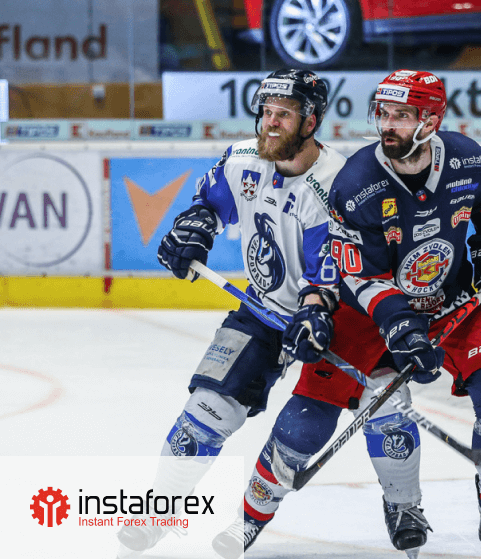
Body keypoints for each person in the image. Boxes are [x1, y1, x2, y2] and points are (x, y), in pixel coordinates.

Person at [213, 69, 481, 559]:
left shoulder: (469, 159)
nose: (388, 125)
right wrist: (402, 329)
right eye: (383, 113)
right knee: (305, 424)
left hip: (450, 300)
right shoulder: (356, 183)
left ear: (431, 120)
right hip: (366, 313)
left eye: (402, 116)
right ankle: (250, 516)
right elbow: (364, 276)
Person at [115, 68, 354, 557]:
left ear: (311, 122)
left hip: (337, 319)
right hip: (264, 311)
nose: (271, 122)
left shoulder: (336, 183)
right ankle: (160, 512)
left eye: (284, 114)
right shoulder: (244, 158)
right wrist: (195, 228)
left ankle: (258, 517)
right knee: (203, 415)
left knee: (300, 431)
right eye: (266, 112)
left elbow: (327, 277)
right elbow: (208, 204)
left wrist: (315, 312)